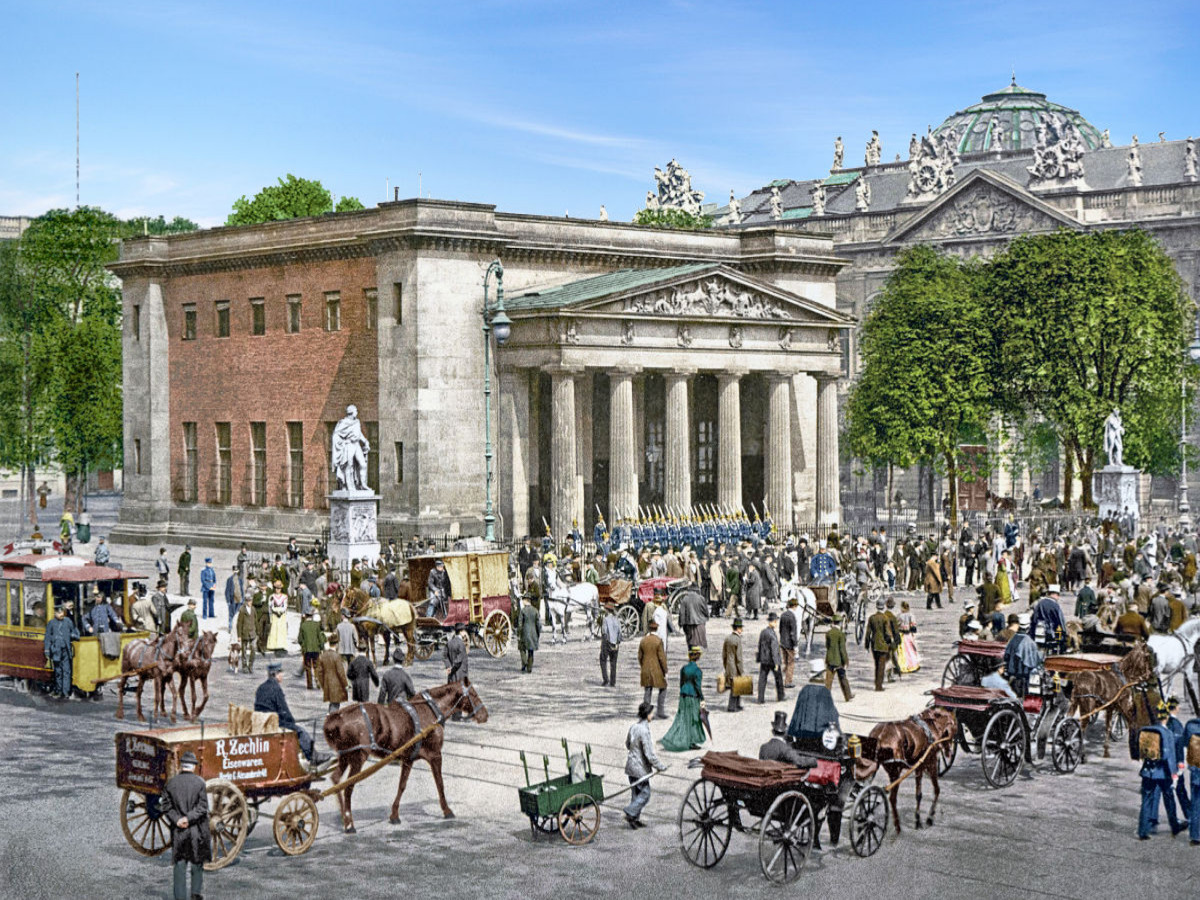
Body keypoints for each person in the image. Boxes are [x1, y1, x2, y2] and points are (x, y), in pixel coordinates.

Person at [255, 662, 329, 766]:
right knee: (301, 731)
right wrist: (291, 722)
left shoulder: (261, 688)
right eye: (281, 673)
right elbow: (283, 709)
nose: (282, 676)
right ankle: (312, 757)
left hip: (263, 721)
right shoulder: (276, 688)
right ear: (276, 674)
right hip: (275, 723)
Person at [162, 750, 210, 900]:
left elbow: (166, 806)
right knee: (197, 864)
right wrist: (188, 818)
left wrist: (178, 820)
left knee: (179, 866)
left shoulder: (171, 784)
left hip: (179, 832)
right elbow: (202, 808)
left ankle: (180, 897)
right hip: (196, 831)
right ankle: (195, 895)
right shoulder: (200, 783)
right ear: (193, 767)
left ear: (181, 766)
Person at [1138, 702, 1185, 838]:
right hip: (1163, 773)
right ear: (1166, 718)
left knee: (1146, 799)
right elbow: (1168, 757)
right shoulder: (1167, 733)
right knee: (1169, 799)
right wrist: (1174, 775)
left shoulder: (1146, 730)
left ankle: (1143, 830)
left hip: (1147, 771)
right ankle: (1174, 825)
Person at [623, 701, 668, 828]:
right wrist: (660, 766)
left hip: (630, 766)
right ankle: (630, 812)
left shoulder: (633, 727)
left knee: (636, 794)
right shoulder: (644, 731)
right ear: (647, 714)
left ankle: (634, 820)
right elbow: (649, 754)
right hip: (640, 769)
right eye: (651, 713)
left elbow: (627, 744)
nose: (652, 715)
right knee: (645, 794)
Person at [661, 647, 707, 751]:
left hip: (683, 696)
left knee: (683, 717)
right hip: (693, 697)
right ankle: (690, 742)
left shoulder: (684, 668)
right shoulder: (698, 671)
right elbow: (698, 686)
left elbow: (681, 683)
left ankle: (681, 739)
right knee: (693, 719)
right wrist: (702, 699)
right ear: (697, 657)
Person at [43, 603, 79, 699]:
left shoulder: (68, 621)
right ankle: (59, 691)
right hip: (56, 651)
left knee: (67, 671)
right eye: (59, 613)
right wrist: (47, 650)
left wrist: (74, 636)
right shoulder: (51, 623)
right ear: (55, 613)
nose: (61, 614)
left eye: (62, 612)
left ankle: (66, 692)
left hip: (66, 651)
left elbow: (75, 632)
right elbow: (47, 638)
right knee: (58, 672)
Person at [1002, 613, 1041, 697]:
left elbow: (1006, 656)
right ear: (1028, 627)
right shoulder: (1030, 642)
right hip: (1024, 679)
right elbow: (1035, 662)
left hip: (1012, 678)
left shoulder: (1013, 639)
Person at [864, 598, 897, 692]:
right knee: (881, 666)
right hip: (883, 645)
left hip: (874, 644)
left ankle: (877, 683)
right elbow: (887, 633)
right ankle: (879, 686)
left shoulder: (872, 618)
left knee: (876, 664)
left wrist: (867, 645)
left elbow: (868, 633)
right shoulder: (885, 618)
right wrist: (890, 642)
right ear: (883, 607)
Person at [639, 619, 669, 719]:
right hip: (657, 670)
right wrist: (665, 670)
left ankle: (646, 712)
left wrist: (643, 666)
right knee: (663, 688)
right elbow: (662, 657)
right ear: (657, 629)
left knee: (647, 690)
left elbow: (640, 656)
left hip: (645, 669)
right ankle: (660, 711)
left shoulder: (643, 640)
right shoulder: (658, 641)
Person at [1179, 711, 1200, 844]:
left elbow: (1185, 743)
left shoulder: (1191, 725)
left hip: (1196, 770)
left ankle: (1195, 835)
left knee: (1196, 803)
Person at [824, 612, 854, 701]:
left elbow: (827, 646)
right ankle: (848, 696)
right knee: (843, 678)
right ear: (840, 623)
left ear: (833, 622)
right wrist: (846, 661)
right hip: (839, 661)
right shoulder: (841, 634)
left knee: (828, 680)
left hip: (829, 659)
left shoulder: (828, 633)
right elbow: (842, 650)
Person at [756, 612, 785, 704]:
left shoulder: (763, 632)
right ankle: (780, 696)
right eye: (776, 622)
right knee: (778, 678)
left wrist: (760, 657)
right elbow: (774, 650)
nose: (776, 624)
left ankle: (760, 698)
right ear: (773, 622)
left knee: (762, 679)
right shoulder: (772, 635)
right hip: (772, 661)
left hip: (764, 660)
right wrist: (777, 663)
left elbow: (759, 646)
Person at [1030, 585, 1067, 652]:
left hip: (1039, 631)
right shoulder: (1055, 605)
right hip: (1050, 632)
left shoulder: (1040, 603)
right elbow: (1060, 621)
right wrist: (1063, 633)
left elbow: (1034, 619)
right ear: (1056, 594)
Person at [297, 610, 325, 689]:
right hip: (316, 649)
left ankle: (310, 685)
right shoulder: (316, 625)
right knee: (316, 666)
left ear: (305, 616)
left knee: (308, 667)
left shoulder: (303, 625)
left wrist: (303, 646)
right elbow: (320, 637)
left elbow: (299, 639)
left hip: (307, 650)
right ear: (312, 616)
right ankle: (317, 679)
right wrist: (321, 647)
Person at [723, 618, 746, 712]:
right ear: (738, 629)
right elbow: (739, 658)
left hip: (728, 665)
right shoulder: (737, 640)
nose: (742, 630)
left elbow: (724, 654)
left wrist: (726, 665)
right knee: (735, 687)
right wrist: (741, 670)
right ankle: (732, 706)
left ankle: (737, 704)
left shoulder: (728, 638)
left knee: (735, 685)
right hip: (735, 667)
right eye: (741, 628)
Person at [518, 595, 542, 674]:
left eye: (523, 600)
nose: (522, 602)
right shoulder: (535, 611)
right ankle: (529, 668)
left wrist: (519, 634)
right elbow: (539, 625)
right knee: (531, 652)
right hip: (533, 634)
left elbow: (520, 624)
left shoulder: (523, 611)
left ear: (526, 600)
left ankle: (524, 662)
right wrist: (538, 634)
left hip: (524, 634)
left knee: (522, 649)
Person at [599, 602, 621, 686]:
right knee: (613, 663)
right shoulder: (617, 619)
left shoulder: (605, 619)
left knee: (603, 660)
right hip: (616, 643)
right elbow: (620, 633)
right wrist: (617, 642)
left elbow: (604, 632)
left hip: (607, 642)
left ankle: (605, 679)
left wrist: (603, 643)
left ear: (607, 610)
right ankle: (613, 682)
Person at [236, 590, 258, 674]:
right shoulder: (242, 610)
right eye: (248, 601)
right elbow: (239, 624)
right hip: (244, 633)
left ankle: (251, 665)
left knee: (253, 649)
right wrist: (239, 635)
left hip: (252, 633)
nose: (250, 602)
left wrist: (257, 632)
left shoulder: (253, 609)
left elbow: (256, 621)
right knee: (244, 651)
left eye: (251, 601)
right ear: (245, 601)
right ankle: (244, 666)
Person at [895, 600, 920, 673]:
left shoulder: (899, 616)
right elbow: (913, 625)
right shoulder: (911, 615)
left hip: (902, 635)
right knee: (911, 650)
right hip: (908, 635)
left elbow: (896, 624)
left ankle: (903, 666)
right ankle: (913, 665)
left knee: (903, 651)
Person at [780, 596, 799, 688]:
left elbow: (780, 629)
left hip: (782, 642)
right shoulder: (793, 617)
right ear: (794, 606)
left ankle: (783, 678)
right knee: (791, 663)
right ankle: (788, 682)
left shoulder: (783, 615)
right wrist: (795, 645)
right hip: (790, 644)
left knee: (785, 662)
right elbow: (793, 633)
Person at [266, 582, 289, 654]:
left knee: (281, 630)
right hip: (274, 614)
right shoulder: (272, 596)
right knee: (274, 629)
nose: (277, 590)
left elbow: (285, 606)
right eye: (276, 588)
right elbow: (270, 606)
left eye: (279, 588)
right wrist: (274, 611)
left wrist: (281, 612)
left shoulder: (284, 596)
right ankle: (273, 645)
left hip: (282, 615)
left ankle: (281, 644)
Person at [224, 565, 243, 633]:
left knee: (237, 614)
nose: (235, 572)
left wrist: (242, 599)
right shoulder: (229, 580)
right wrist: (228, 600)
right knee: (231, 614)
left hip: (239, 600)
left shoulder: (240, 580)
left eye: (236, 571)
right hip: (233, 600)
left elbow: (241, 590)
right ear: (232, 571)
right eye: (234, 570)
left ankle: (236, 628)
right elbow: (227, 590)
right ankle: (230, 627)